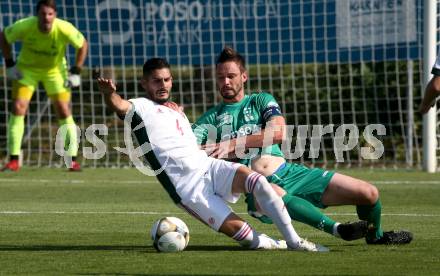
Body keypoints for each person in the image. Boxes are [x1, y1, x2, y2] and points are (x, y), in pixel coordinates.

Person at [97, 57, 328, 251]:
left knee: (258, 182)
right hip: (189, 190)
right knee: (250, 241)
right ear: (144, 83)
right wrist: (109, 94)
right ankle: (277, 244)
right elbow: (119, 105)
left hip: (208, 166)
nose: (163, 84)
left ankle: (294, 240)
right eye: (157, 81)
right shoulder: (140, 107)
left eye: (167, 80)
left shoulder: (177, 112)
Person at [192, 46, 413, 245]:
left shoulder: (260, 100)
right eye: (221, 77)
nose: (226, 82)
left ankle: (375, 237)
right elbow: (188, 145)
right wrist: (176, 119)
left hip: (290, 173)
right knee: (275, 193)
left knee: (368, 193)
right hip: (257, 189)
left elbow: (277, 132)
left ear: (244, 76)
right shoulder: (211, 118)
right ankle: (338, 230)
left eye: (231, 76)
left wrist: (231, 144)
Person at [0, 0, 88, 171]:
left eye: (50, 14)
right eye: (43, 14)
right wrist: (10, 64)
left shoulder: (64, 28)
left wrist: (76, 71)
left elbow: (83, 44)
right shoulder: (25, 26)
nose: (46, 18)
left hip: (55, 72)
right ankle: (13, 159)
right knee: (18, 108)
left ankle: (72, 160)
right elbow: (3, 36)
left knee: (64, 109)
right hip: (27, 71)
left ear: (55, 15)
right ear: (37, 15)